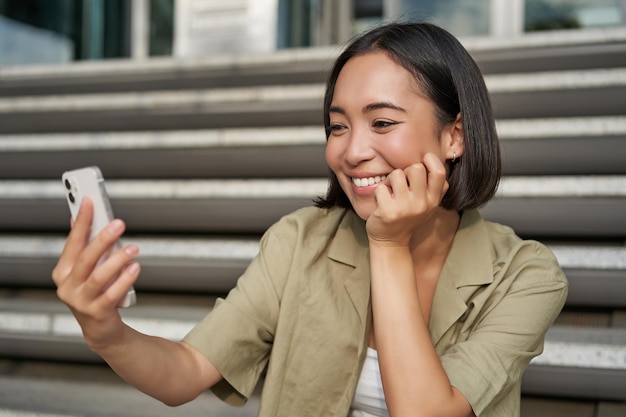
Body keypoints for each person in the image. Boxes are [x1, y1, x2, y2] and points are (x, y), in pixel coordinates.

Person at [52, 22, 568, 417]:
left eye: (382, 122)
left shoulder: (524, 274)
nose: (352, 150)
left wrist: (389, 245)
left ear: (454, 137)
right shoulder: (300, 241)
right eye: (337, 126)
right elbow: (185, 372)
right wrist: (106, 332)